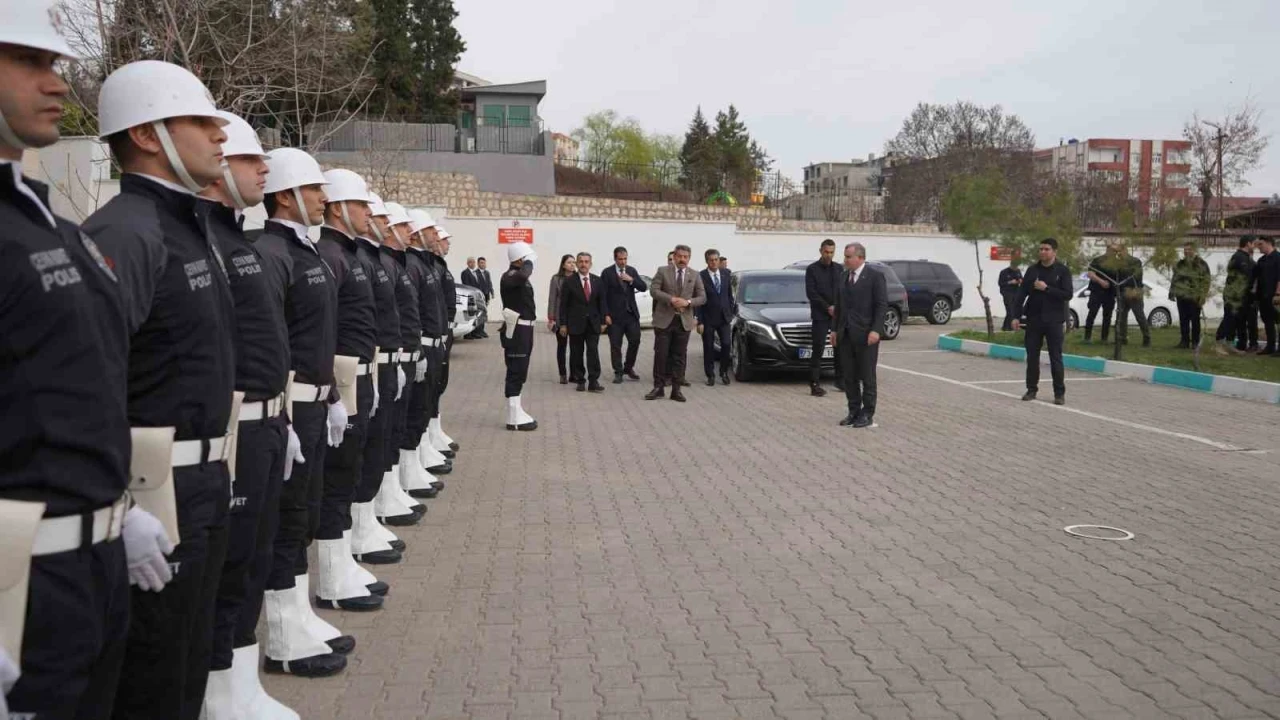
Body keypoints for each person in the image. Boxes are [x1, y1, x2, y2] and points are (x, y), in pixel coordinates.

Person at [0, 9, 147, 718]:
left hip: (91, 568)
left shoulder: (52, 225)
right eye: (29, 62)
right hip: (20, 581)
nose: (58, 83)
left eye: (56, 64)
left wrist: (125, 508)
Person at [84, 60, 237, 719]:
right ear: (148, 136)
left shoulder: (186, 227)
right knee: (151, 679)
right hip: (152, 494)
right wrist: (119, 507)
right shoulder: (127, 232)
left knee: (186, 666)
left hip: (200, 486)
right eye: (202, 121)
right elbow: (87, 382)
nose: (220, 135)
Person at [197, 112, 300, 718]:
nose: (264, 168)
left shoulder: (241, 243)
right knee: (231, 566)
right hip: (230, 431)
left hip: (266, 422)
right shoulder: (211, 242)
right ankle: (219, 694)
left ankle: (239, 684)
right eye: (251, 158)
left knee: (252, 561)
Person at [253, 148, 352, 679]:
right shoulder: (273, 253)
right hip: (290, 407)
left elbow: (318, 339)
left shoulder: (306, 252)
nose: (322, 198)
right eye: (314, 189)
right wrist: (285, 419)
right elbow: (275, 343)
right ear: (287, 196)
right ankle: (283, 637)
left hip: (315, 404)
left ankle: (298, 616)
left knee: (303, 516)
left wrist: (332, 396)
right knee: (287, 520)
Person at [313, 169, 386, 614]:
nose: (367, 212)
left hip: (359, 375)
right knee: (337, 478)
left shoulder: (348, 254)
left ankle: (342, 563)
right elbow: (324, 330)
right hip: (341, 381)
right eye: (360, 204)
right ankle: (332, 577)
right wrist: (332, 395)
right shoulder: (330, 255)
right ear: (339, 208)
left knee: (350, 471)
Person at [349, 194, 408, 565]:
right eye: (384, 219)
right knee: (362, 455)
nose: (385, 224)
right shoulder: (360, 259)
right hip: (362, 369)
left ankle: (368, 519)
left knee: (384, 441)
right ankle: (358, 531)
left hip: (385, 363)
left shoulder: (380, 261)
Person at [371, 202, 426, 527]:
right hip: (381, 362)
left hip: (400, 357)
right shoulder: (384, 263)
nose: (411, 232)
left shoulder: (398, 265)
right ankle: (377, 505)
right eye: (404, 226)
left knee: (397, 427)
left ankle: (390, 491)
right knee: (381, 437)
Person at [412, 215, 457, 474]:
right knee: (419, 403)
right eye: (439, 235)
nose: (443, 241)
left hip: (438, 337)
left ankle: (429, 438)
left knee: (433, 392)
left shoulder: (433, 265)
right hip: (424, 342)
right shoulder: (418, 265)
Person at [830, 242, 887, 428]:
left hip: (866, 335)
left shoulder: (875, 277)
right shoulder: (843, 277)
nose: (845, 260)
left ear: (860, 258)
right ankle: (853, 411)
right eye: (845, 256)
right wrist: (834, 330)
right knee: (849, 376)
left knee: (867, 376)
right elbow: (838, 306)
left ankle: (867, 413)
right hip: (845, 334)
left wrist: (876, 329)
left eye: (848, 257)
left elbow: (881, 305)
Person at [1012, 238, 1073, 405]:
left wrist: (1047, 288)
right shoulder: (1032, 270)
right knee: (1032, 356)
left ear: (1054, 252)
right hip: (1034, 319)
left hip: (1054, 320)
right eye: (1041, 249)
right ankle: (1031, 389)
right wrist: (1015, 316)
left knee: (1056, 357)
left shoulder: (1062, 271)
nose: (1043, 252)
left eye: (1046, 249)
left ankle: (1059, 393)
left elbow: (1067, 294)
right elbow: (1021, 294)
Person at [646, 245, 706, 402]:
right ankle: (658, 388)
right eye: (679, 256)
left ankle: (676, 390)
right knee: (661, 355)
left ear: (689, 258)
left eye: (685, 257)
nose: (682, 259)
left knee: (679, 357)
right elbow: (654, 290)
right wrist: (671, 299)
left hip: (683, 322)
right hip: (664, 320)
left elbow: (702, 297)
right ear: (674, 257)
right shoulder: (663, 271)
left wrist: (687, 302)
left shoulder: (695, 274)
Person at [500, 242, 539, 430]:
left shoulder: (518, 277)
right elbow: (523, 275)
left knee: (521, 369)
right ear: (519, 259)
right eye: (526, 259)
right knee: (516, 369)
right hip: (517, 328)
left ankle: (516, 409)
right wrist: (529, 261)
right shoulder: (510, 276)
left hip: (525, 329)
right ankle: (513, 417)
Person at [558, 252, 608, 392]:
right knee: (576, 353)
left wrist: (603, 321)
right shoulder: (569, 281)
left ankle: (593, 381)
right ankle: (580, 380)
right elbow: (563, 305)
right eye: (580, 261)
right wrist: (563, 324)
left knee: (593, 352)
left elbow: (602, 302)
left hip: (593, 323)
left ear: (590, 264)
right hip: (575, 324)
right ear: (577, 264)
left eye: (586, 262)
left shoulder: (597, 281)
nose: (583, 264)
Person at [600, 245, 647, 384]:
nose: (623, 262)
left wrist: (631, 280)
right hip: (614, 317)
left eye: (625, 259)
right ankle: (618, 372)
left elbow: (643, 287)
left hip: (631, 315)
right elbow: (602, 296)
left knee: (635, 341)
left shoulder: (631, 270)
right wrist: (605, 314)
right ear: (615, 259)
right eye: (620, 259)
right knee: (615, 345)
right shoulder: (607, 273)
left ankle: (628, 367)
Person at [804, 239, 842, 396]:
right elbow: (811, 293)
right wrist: (827, 307)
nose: (829, 255)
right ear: (821, 251)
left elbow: (843, 290)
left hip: (837, 315)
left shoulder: (839, 269)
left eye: (832, 252)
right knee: (818, 347)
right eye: (826, 252)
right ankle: (814, 384)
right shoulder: (812, 270)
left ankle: (841, 381)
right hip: (820, 315)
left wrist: (837, 307)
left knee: (839, 347)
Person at [696, 248, 735, 386]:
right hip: (708, 318)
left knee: (726, 344)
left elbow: (729, 294)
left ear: (719, 260)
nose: (714, 262)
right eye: (711, 260)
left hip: (724, 318)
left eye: (716, 260)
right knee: (708, 347)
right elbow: (698, 299)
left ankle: (723, 372)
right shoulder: (701, 276)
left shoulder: (725, 274)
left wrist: (730, 311)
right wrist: (699, 320)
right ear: (707, 261)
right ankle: (710, 375)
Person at [1217, 236, 1257, 353]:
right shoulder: (1238, 257)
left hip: (1242, 295)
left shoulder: (1247, 258)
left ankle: (1230, 343)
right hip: (1233, 294)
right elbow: (1242, 276)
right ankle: (1219, 343)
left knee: (1236, 320)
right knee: (1229, 318)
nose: (1255, 246)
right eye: (1253, 243)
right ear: (1248, 244)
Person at [1170, 243, 1211, 349]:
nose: (1186, 251)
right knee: (1183, 319)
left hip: (1195, 297)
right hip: (1181, 296)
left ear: (1194, 250)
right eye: (1185, 249)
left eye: (1189, 249)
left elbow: (1206, 281)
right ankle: (1184, 341)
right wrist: (1172, 292)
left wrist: (1203, 296)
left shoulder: (1201, 264)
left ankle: (1195, 342)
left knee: (1195, 320)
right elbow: (1175, 278)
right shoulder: (1181, 264)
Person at [1112, 245, 1151, 347]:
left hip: (1134, 291)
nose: (1119, 254)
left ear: (1125, 250)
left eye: (1120, 251)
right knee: (1121, 317)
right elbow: (1117, 278)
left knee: (1139, 316)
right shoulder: (1117, 263)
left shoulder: (1135, 261)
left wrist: (1135, 290)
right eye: (1117, 252)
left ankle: (1147, 338)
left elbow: (1138, 277)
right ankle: (1122, 338)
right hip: (1122, 292)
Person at [547, 254, 575, 384]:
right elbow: (552, 298)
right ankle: (562, 373)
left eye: (573, 262)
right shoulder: (556, 279)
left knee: (575, 348)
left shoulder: (577, 278)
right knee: (562, 346)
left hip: (575, 318)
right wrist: (551, 318)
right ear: (563, 265)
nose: (572, 265)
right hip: (560, 317)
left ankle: (574, 374)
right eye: (569, 262)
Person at [1083, 247, 1118, 343]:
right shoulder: (1098, 260)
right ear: (1107, 250)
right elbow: (1090, 274)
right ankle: (1087, 338)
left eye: (1115, 252)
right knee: (1092, 314)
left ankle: (1104, 338)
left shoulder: (1117, 263)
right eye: (1112, 251)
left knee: (1107, 316)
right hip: (1097, 292)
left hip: (1110, 293)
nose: (1114, 253)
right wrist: (1101, 281)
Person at [1254, 236, 1280, 355]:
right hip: (1263, 296)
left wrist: (1278, 293)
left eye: (1261, 244)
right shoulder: (1261, 260)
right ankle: (1270, 347)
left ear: (1269, 243)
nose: (1259, 247)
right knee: (1268, 322)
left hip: (1275, 296)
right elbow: (1257, 279)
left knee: (1278, 321)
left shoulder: (1278, 258)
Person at [998, 258, 1023, 332]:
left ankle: (1006, 327)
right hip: (1007, 292)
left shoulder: (1018, 271)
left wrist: (1020, 281)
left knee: (1016, 310)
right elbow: (1000, 283)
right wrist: (1010, 282)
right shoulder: (1004, 272)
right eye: (1015, 266)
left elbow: (1021, 278)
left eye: (1017, 266)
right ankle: (1008, 327)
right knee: (1010, 309)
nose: (1016, 268)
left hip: (1016, 292)